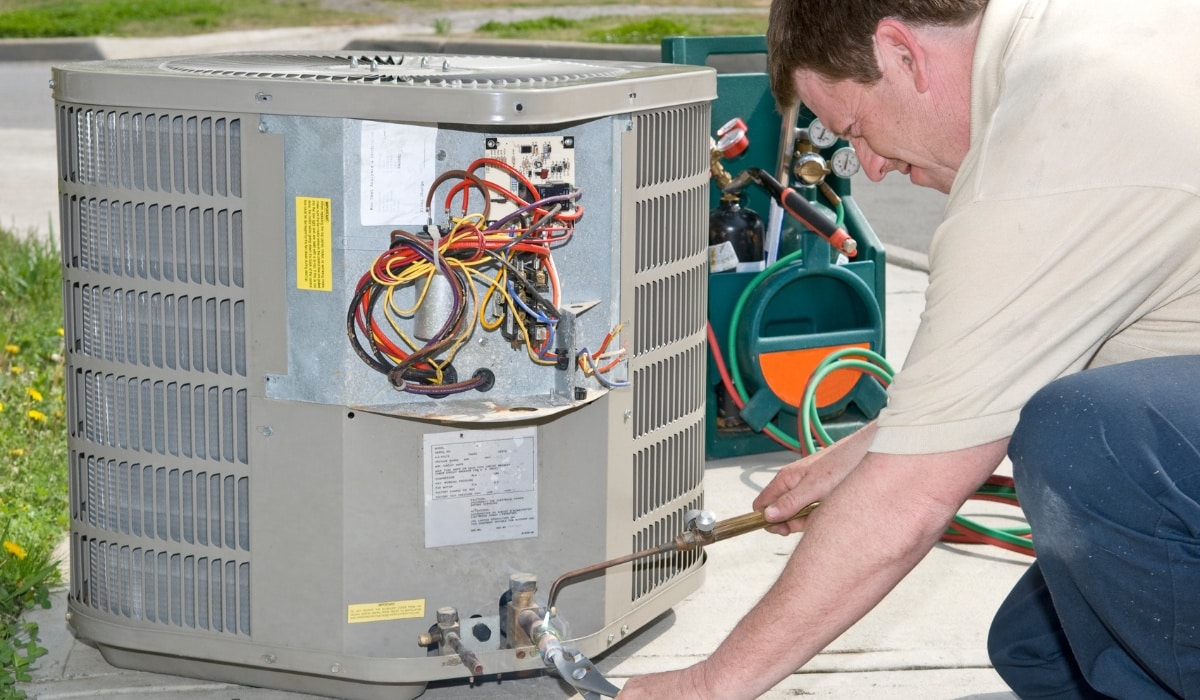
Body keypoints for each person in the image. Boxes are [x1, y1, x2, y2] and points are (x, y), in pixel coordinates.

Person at [619, 0, 1200, 697]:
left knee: (1087, 432)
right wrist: (860, 454)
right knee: (1043, 650)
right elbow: (993, 370)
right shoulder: (1083, 35)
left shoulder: (1059, 131)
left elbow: (909, 500)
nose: (870, 165)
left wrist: (710, 684)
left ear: (901, 53)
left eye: (856, 128)